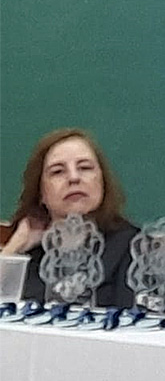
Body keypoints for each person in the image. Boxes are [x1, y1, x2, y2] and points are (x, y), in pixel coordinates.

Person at [2, 128, 139, 307]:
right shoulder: (31, 251)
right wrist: (15, 247)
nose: (74, 178)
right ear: (41, 192)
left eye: (85, 168)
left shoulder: (132, 247)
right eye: (58, 172)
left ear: (102, 181)